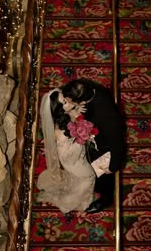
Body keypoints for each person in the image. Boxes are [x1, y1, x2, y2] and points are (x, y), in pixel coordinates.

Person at [61, 78, 126, 213]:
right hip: (93, 134)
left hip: (104, 147)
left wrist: (113, 166)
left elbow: (117, 143)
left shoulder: (108, 117)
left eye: (70, 101)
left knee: (102, 179)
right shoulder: (91, 89)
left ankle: (106, 199)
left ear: (83, 102)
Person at [37, 88, 96, 214]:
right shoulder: (61, 133)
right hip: (71, 158)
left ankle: (74, 190)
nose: (70, 101)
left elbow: (72, 121)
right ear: (59, 109)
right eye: (65, 101)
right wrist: (82, 138)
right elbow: (69, 156)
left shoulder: (63, 117)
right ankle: (68, 202)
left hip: (74, 154)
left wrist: (76, 114)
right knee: (88, 177)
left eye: (65, 97)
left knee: (78, 178)